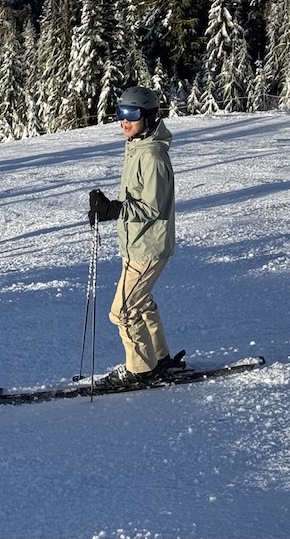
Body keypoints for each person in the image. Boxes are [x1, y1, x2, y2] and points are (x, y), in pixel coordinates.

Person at [87, 86, 179, 388]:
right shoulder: (138, 146)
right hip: (136, 244)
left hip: (147, 246)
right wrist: (108, 209)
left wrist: (114, 210)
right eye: (120, 113)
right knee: (139, 303)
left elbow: (151, 206)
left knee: (123, 311)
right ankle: (159, 358)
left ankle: (141, 369)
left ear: (149, 117)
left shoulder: (151, 155)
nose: (124, 121)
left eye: (131, 114)